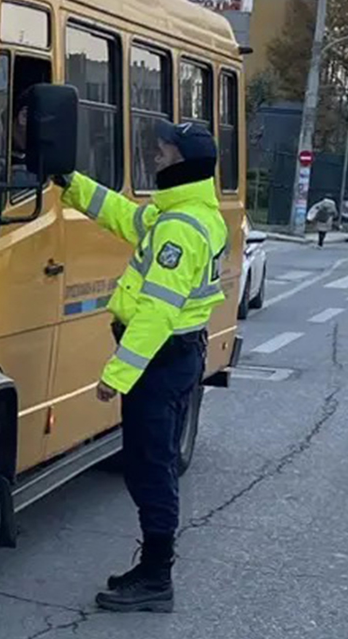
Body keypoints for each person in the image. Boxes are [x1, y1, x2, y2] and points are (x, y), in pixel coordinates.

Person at [55, 120, 228, 613]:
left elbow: (156, 311)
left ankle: (156, 577)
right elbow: (122, 218)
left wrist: (117, 374)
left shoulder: (180, 228)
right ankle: (152, 570)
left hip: (161, 360)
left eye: (164, 149)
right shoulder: (185, 213)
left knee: (151, 469)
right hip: (174, 357)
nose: (155, 153)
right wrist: (68, 180)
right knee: (148, 465)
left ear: (183, 160)